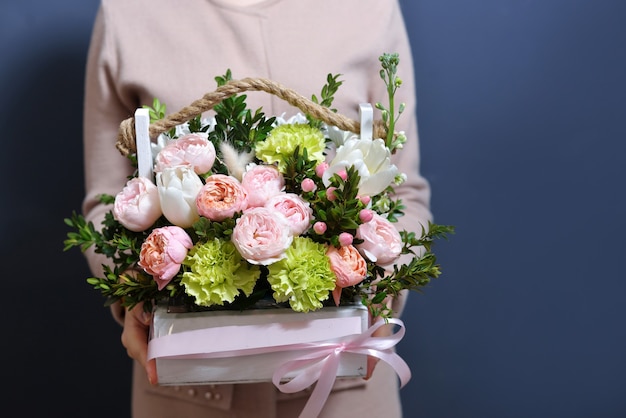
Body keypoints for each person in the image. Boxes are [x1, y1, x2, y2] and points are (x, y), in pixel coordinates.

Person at [82, 0, 432, 416]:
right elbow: (106, 200)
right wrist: (133, 291)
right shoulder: (129, 13)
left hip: (341, 384)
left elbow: (404, 191)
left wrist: (376, 284)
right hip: (188, 390)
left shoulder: (369, 9)